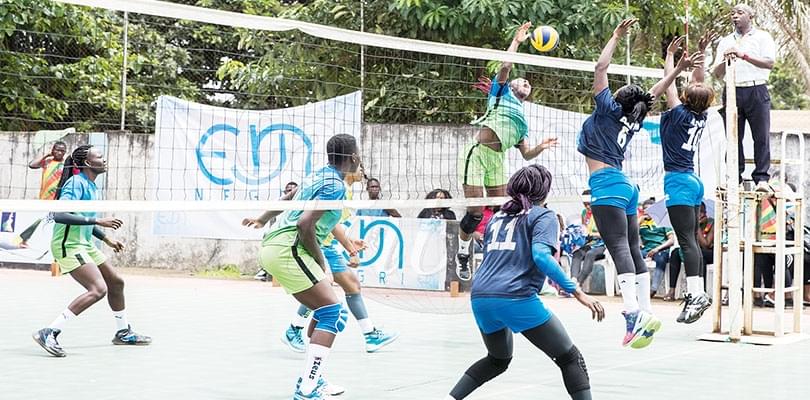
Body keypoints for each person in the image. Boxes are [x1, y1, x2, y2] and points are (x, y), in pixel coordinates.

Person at [577, 18, 698, 348]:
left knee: (618, 248)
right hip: (626, 187)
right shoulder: (634, 116)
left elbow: (601, 67)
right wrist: (675, 68)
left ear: (617, 99)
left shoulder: (606, 110)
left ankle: (632, 312)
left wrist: (616, 36)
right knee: (633, 248)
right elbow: (655, 92)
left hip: (607, 185)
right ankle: (646, 310)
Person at [445, 165, 604, 400]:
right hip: (516, 297)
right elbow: (541, 256)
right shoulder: (543, 215)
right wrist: (576, 291)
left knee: (498, 360)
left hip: (481, 298)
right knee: (570, 358)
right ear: (545, 191)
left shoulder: (498, 217)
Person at [244, 134, 361, 399]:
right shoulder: (336, 186)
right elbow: (304, 224)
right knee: (332, 312)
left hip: (276, 245)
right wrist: (319, 260)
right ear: (353, 157)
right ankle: (308, 387)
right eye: (359, 153)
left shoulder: (320, 174)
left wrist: (262, 219)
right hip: (291, 248)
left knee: (326, 311)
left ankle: (315, 378)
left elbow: (290, 197)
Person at [253, 166, 398, 357]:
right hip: (317, 245)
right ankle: (296, 331)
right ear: (350, 162)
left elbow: (330, 222)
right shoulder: (335, 186)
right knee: (327, 300)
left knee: (352, 286)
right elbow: (309, 220)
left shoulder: (343, 190)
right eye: (360, 166)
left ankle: (369, 334)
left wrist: (349, 242)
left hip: (326, 245)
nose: (363, 172)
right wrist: (347, 247)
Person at [455, 21, 559, 282]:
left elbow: (525, 154)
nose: (526, 82)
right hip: (477, 153)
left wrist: (541, 147)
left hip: (497, 159)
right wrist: (517, 41)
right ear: (511, 86)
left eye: (528, 84)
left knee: (503, 211)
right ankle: (463, 252)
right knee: (476, 212)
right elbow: (505, 67)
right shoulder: (500, 94)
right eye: (521, 80)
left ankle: (495, 256)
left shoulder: (521, 120)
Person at [32, 145, 151, 358]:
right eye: (99, 156)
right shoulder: (76, 183)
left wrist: (106, 238)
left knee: (116, 282)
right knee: (98, 289)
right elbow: (58, 215)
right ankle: (50, 332)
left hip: (85, 244)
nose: (104, 160)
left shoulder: (92, 186)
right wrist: (98, 220)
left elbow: (82, 218)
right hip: (68, 245)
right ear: (87, 163)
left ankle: (122, 332)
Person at [659, 34, 716, 322]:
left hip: (680, 181)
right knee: (690, 240)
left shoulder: (678, 115)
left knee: (686, 241)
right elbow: (699, 85)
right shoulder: (700, 115)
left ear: (686, 99)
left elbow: (669, 82)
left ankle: (696, 294)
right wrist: (702, 53)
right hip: (692, 181)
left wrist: (671, 57)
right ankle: (696, 293)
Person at [711, 3, 776, 192]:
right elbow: (716, 72)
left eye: (740, 13)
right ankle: (734, 178)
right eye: (733, 13)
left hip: (756, 88)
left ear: (751, 16)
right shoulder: (725, 41)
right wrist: (726, 58)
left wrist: (744, 55)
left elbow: (769, 63)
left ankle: (761, 179)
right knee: (732, 137)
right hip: (732, 89)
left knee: (761, 135)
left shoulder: (762, 37)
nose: (735, 16)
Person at [18, 141, 69, 247]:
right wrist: (46, 155)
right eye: (57, 150)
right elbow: (32, 165)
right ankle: (24, 239)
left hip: (59, 198)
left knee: (59, 221)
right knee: (39, 219)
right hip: (45, 197)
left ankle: (58, 243)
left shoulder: (66, 165)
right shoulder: (47, 162)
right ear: (53, 150)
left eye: (62, 151)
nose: (60, 152)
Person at [665, 202, 714, 300]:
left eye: (701, 213)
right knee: (675, 253)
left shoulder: (711, 223)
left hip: (709, 253)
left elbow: (706, 244)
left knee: (701, 256)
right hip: (695, 250)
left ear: (704, 213)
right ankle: (672, 290)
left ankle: (701, 289)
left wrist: (697, 227)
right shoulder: (688, 222)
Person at [254, 181, 299, 282]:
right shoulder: (278, 204)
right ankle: (265, 270)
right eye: (288, 191)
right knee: (267, 235)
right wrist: (261, 221)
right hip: (280, 233)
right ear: (284, 192)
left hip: (295, 232)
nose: (290, 192)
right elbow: (271, 222)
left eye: (293, 191)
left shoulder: (304, 204)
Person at [637, 199, 675, 298]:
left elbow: (671, 241)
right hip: (646, 250)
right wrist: (637, 224)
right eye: (645, 209)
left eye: (650, 209)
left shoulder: (663, 221)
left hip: (661, 250)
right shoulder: (642, 222)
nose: (648, 211)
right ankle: (636, 288)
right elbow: (631, 236)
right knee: (632, 256)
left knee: (661, 259)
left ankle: (653, 289)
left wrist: (657, 249)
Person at [568, 190, 606, 287]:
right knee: (576, 254)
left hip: (603, 245)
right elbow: (584, 228)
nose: (588, 207)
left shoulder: (603, 212)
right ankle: (573, 281)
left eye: (589, 204)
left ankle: (578, 284)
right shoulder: (584, 213)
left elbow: (608, 234)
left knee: (590, 254)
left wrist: (593, 234)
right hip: (589, 243)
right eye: (585, 204)